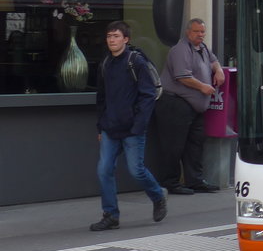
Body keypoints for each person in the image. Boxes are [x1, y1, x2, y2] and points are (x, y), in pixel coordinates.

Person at [91, 21, 166, 230]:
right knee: (104, 170)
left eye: (115, 36)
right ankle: (110, 215)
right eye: (109, 36)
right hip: (110, 128)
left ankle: (158, 196)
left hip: (132, 128)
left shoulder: (136, 62)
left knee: (136, 171)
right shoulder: (105, 64)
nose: (111, 40)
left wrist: (138, 125)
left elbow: (148, 95)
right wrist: (100, 127)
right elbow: (101, 98)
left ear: (126, 39)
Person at [156, 17, 225, 193]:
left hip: (195, 108)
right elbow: (182, 76)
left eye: (202, 32)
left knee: (195, 144)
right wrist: (203, 86)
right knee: (174, 145)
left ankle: (195, 180)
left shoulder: (202, 48)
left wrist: (218, 70)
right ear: (188, 32)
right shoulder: (180, 50)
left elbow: (213, 61)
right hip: (176, 103)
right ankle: (170, 182)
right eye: (196, 31)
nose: (200, 35)